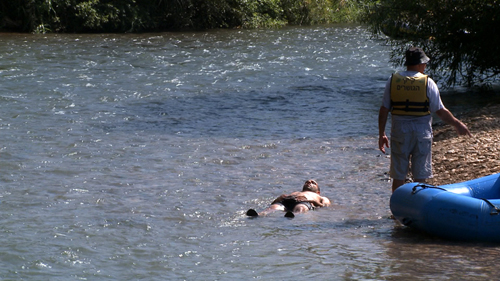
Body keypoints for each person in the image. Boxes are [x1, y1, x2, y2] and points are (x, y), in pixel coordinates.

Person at [378, 47, 472, 193]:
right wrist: (457, 124)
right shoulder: (428, 82)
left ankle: (396, 213)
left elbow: (384, 109)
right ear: (420, 64)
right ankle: (418, 210)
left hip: (399, 132)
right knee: (420, 177)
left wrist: (381, 134)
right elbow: (440, 111)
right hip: (421, 133)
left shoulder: (393, 81)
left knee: (398, 176)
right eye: (425, 63)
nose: (425, 66)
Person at [246, 179, 331, 218]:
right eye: (307, 182)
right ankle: (259, 214)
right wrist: (278, 198)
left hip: (304, 202)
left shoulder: (321, 197)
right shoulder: (297, 192)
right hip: (286, 201)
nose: (309, 183)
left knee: (301, 208)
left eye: (313, 183)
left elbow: (324, 206)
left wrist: (311, 201)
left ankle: (294, 215)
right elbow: (272, 203)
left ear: (318, 191)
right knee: (273, 207)